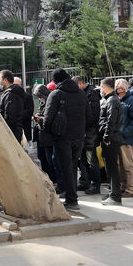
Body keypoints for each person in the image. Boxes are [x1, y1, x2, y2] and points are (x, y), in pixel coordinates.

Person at [44, 69, 88, 209]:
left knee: (66, 168)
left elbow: (47, 119)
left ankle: (72, 200)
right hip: (79, 136)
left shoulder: (56, 94)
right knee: (73, 167)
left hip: (62, 137)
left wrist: (46, 130)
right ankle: (72, 197)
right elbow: (89, 115)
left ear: (56, 80)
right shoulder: (81, 93)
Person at [114, 79, 133, 198]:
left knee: (128, 165)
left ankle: (131, 189)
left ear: (122, 89)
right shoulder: (119, 100)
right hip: (118, 138)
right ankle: (123, 186)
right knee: (120, 165)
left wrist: (125, 132)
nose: (115, 88)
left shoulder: (131, 101)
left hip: (125, 138)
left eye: (117, 86)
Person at [98, 78, 122, 206]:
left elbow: (110, 121)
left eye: (101, 87)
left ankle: (115, 196)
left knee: (112, 167)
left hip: (111, 139)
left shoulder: (112, 100)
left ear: (105, 87)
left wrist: (106, 137)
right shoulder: (110, 99)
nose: (101, 89)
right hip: (110, 138)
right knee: (109, 167)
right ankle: (113, 192)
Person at [75, 76, 101, 195]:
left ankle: (95, 184)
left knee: (91, 160)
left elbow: (94, 115)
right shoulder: (83, 94)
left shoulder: (92, 94)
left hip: (90, 133)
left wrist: (82, 123)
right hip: (82, 132)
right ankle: (85, 181)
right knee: (83, 160)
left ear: (80, 84)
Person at [33, 84, 59, 188]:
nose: (39, 98)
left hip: (48, 137)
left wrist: (40, 119)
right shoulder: (43, 103)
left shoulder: (50, 102)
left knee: (50, 160)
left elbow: (50, 119)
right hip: (42, 136)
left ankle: (54, 180)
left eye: (39, 96)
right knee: (43, 158)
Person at [0, 69, 25, 143]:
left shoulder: (11, 94)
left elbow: (10, 115)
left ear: (5, 80)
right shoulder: (13, 92)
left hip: (11, 132)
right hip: (15, 130)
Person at [15, 76, 35, 143]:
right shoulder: (10, 96)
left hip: (24, 128)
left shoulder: (27, 96)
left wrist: (17, 116)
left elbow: (29, 111)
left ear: (21, 85)